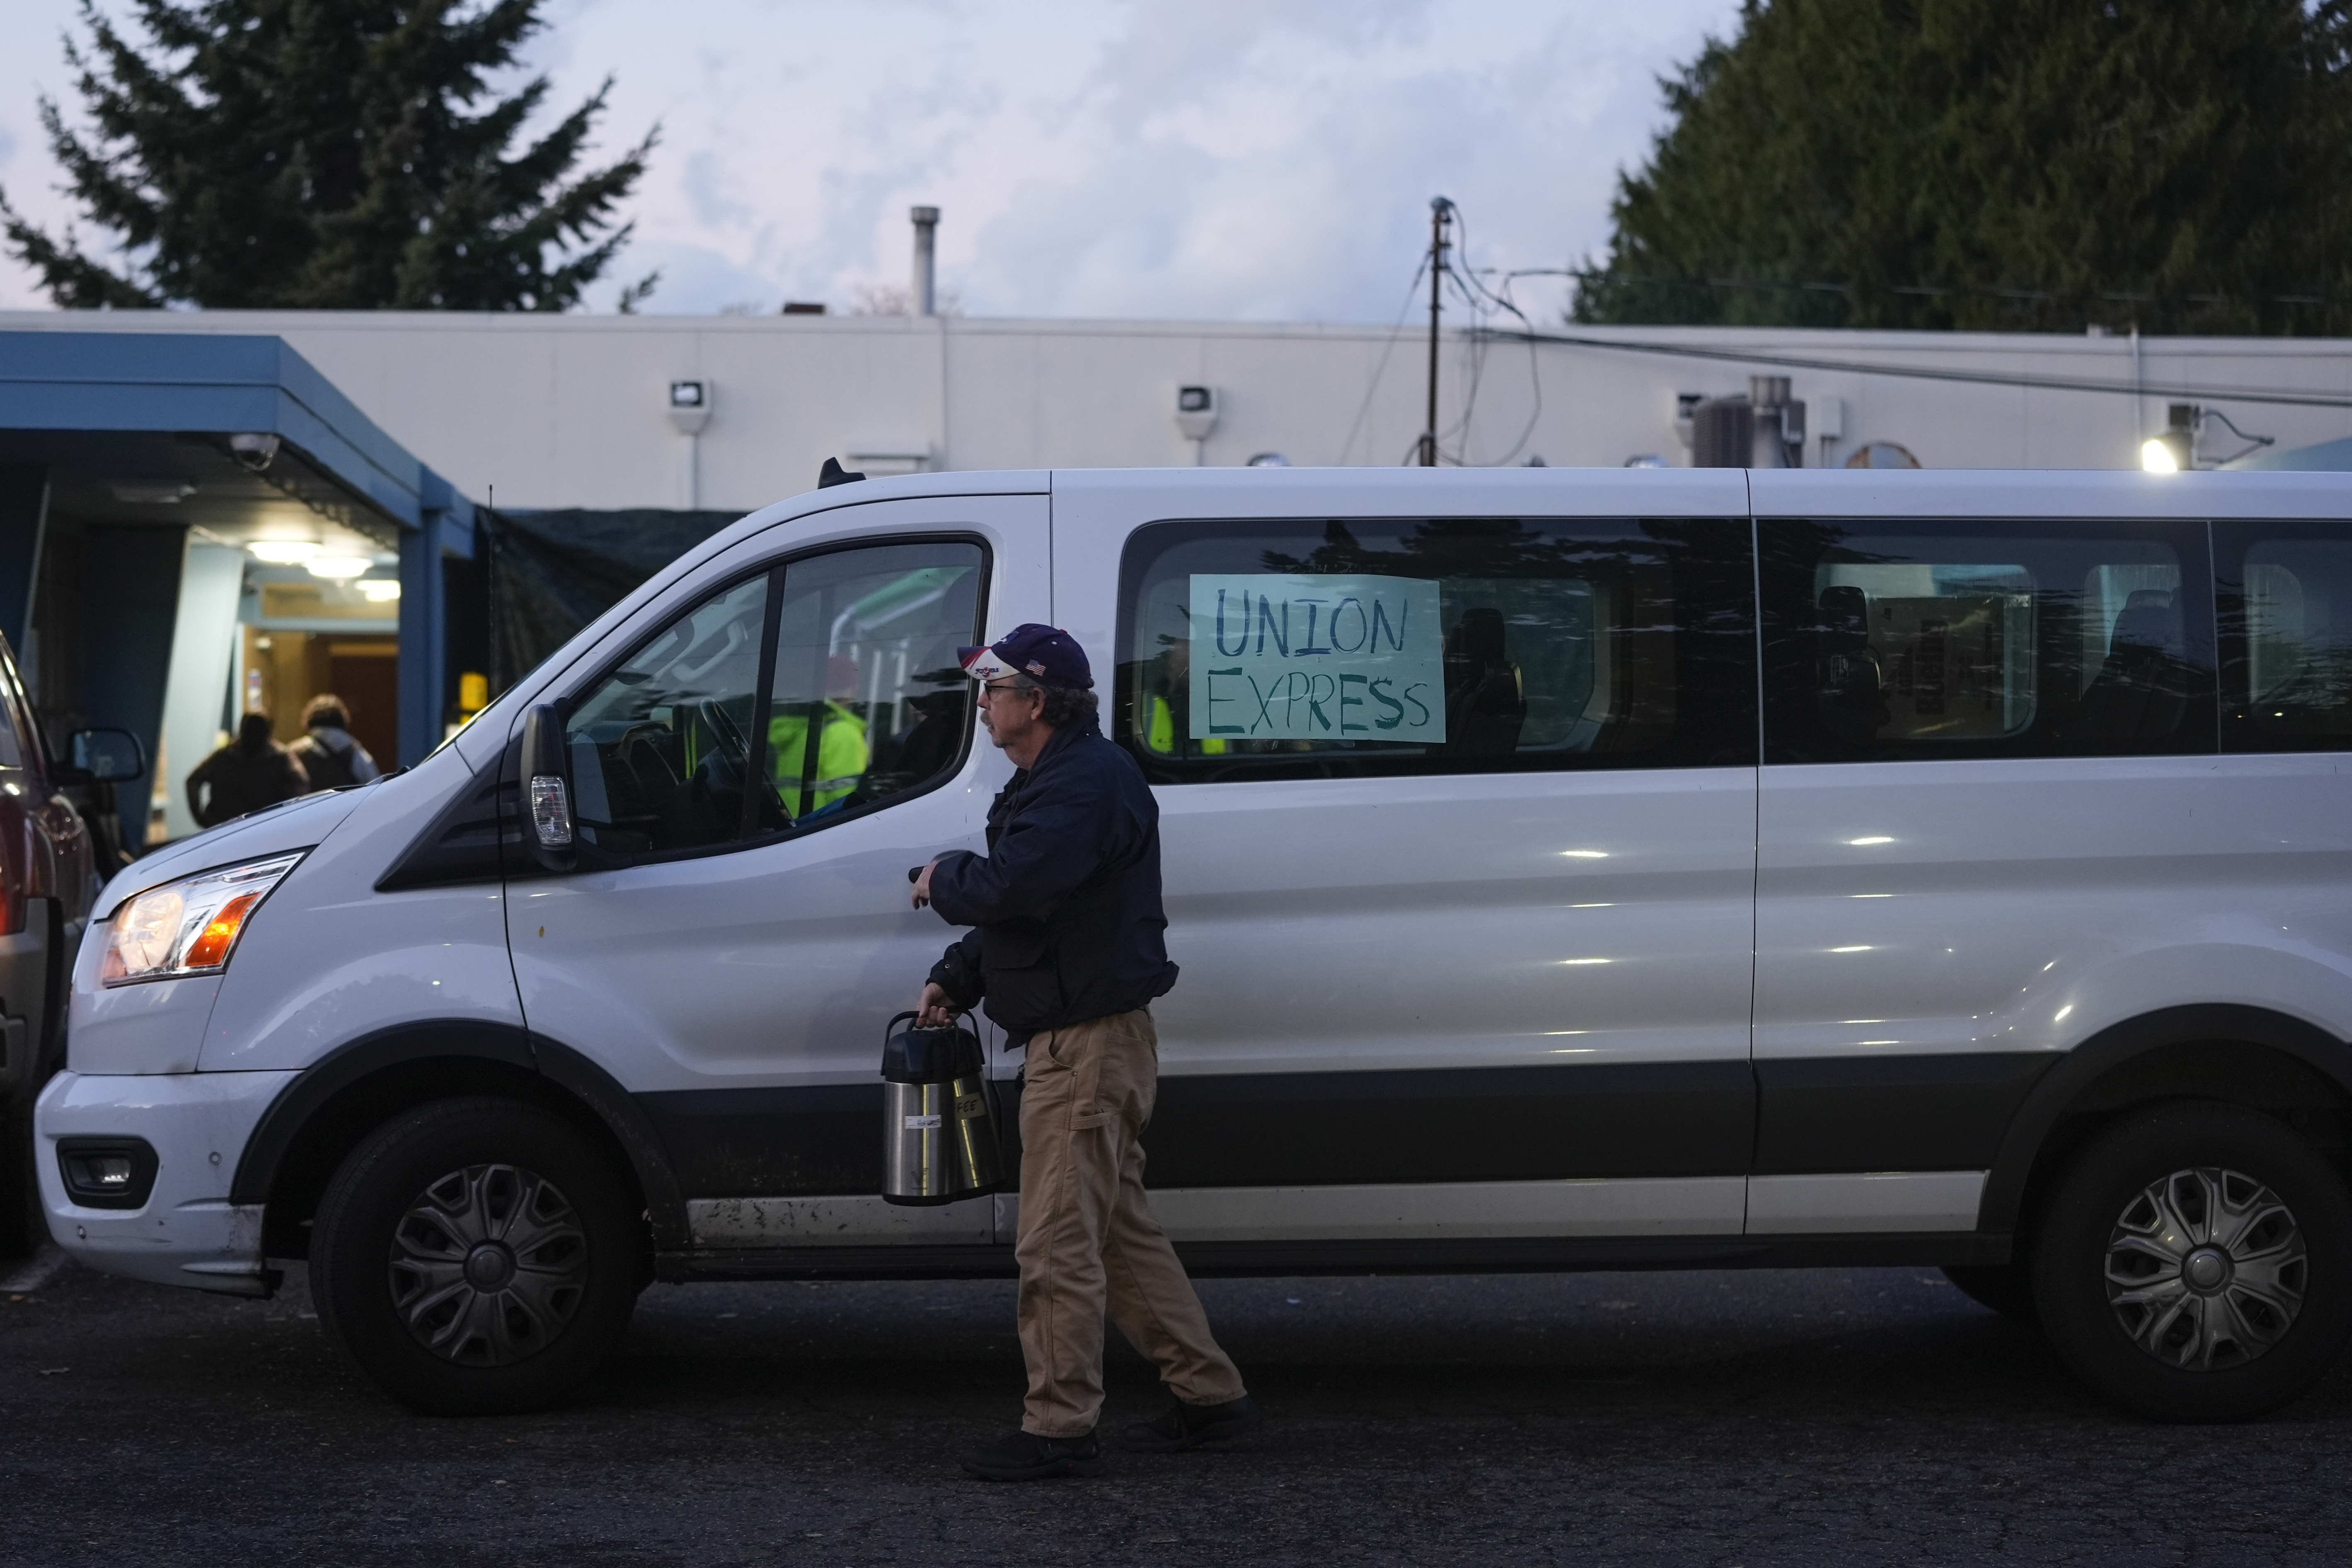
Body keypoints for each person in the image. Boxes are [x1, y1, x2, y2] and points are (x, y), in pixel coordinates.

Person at [910, 623, 1256, 1483]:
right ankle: (1210, 1394)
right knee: (1114, 1236)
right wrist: (959, 976)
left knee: (1057, 1243)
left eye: (992, 688)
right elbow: (1034, 914)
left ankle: (1060, 1424)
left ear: (1037, 700)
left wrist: (941, 877)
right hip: (1088, 1040)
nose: (982, 702)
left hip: (1085, 1048)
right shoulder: (1055, 780)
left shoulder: (1079, 786)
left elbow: (1011, 886)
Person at [184, 713, 308, 828]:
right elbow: (301, 784)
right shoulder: (281, 757)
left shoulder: (224, 756)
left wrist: (201, 817)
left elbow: (193, 781)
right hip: (256, 825)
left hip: (233, 826)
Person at [288, 694, 382, 791]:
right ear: (343, 720)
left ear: (309, 719)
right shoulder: (355, 753)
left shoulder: (295, 751)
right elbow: (374, 787)